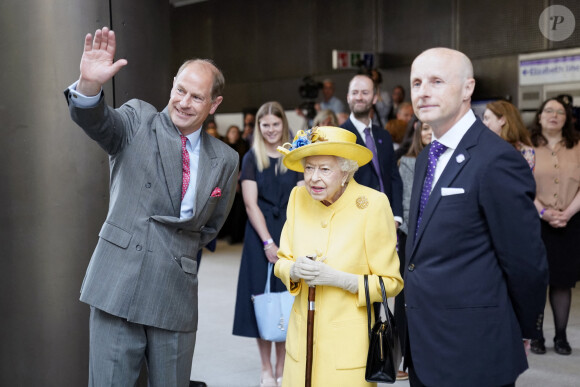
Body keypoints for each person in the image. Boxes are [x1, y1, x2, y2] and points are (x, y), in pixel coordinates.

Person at [64, 27, 239, 387]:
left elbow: (210, 226)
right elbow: (98, 122)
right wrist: (89, 87)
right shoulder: (137, 120)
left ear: (214, 104)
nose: (184, 102)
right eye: (180, 90)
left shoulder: (226, 159)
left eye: (196, 97)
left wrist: (178, 253)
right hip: (118, 286)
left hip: (175, 292)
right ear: (172, 85)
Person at [405, 47, 548, 387]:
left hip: (475, 349)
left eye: (437, 81)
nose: (423, 92)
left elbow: (525, 261)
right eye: (416, 83)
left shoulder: (496, 160)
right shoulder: (428, 157)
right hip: (424, 347)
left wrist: (522, 328)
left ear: (468, 89)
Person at [274, 126, 404, 386]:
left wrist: (340, 279)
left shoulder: (373, 204)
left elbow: (391, 282)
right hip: (301, 347)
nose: (313, 178)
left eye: (324, 169)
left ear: (346, 171)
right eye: (309, 167)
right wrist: (294, 270)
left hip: (347, 353)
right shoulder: (298, 197)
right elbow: (281, 261)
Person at [232, 102, 303, 387]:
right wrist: (267, 243)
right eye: (265, 125)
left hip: (291, 235)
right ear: (258, 128)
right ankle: (265, 370)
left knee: (287, 303)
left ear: (283, 125)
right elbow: (250, 205)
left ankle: (283, 368)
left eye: (275, 124)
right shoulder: (251, 157)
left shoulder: (295, 157)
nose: (271, 130)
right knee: (262, 303)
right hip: (259, 237)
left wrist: (287, 242)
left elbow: (302, 199)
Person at [529, 97, 580, 356]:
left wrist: (568, 213)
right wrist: (545, 212)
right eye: (548, 110)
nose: (554, 115)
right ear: (539, 116)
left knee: (562, 281)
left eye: (560, 112)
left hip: (570, 223)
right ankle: (535, 335)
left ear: (568, 118)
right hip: (535, 222)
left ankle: (561, 337)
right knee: (537, 281)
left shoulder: (578, 146)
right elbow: (521, 184)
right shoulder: (526, 147)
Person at [341, 74, 404, 228]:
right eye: (355, 93)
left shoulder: (384, 135)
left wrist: (396, 216)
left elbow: (394, 177)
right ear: (348, 97)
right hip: (354, 222)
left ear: (375, 98)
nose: (359, 97)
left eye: (365, 92)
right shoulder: (340, 136)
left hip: (386, 219)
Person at [483, 100, 535, 170]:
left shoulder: (526, 152)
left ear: (502, 120)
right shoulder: (483, 147)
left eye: (486, 118)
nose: (483, 123)